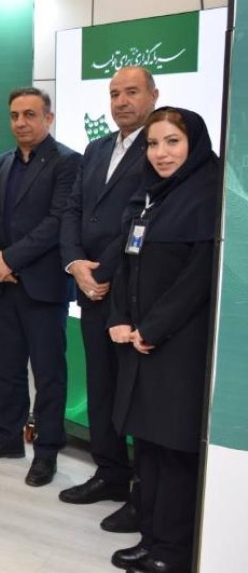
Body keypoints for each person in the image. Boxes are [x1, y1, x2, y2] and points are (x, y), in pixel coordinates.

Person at [107, 107, 218, 573]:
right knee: (148, 444)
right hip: (139, 342)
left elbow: (197, 279)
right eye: (153, 144)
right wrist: (118, 317)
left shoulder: (209, 194)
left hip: (176, 347)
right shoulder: (150, 195)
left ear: (194, 144)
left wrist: (151, 328)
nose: (161, 153)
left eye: (173, 142)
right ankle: (150, 537)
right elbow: (125, 262)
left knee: (174, 450)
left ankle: (172, 551)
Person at [59, 66, 158, 530]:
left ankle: (143, 490)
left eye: (131, 92)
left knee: (133, 393)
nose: (121, 101)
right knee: (100, 386)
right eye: (115, 93)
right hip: (91, 291)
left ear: (153, 95)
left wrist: (103, 273)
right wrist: (75, 264)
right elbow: (73, 209)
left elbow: (143, 221)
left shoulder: (159, 146)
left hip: (133, 295)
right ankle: (110, 473)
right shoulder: (96, 148)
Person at [0, 87, 81, 487]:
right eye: (15, 115)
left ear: (48, 118)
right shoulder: (1, 163)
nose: (21, 122)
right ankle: (8, 438)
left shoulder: (68, 162)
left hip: (43, 287)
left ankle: (46, 452)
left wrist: (9, 260)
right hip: (4, 286)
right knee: (8, 369)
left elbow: (57, 222)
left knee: (48, 375)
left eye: (30, 115)